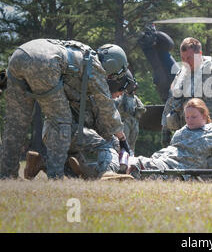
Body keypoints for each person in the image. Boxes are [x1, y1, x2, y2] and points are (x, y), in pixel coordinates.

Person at [0, 39, 132, 179]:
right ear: (111, 64)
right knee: (61, 121)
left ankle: (6, 174)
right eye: (113, 75)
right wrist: (122, 138)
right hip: (45, 61)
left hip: (19, 55)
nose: (109, 78)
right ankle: (55, 177)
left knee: (16, 123)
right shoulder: (95, 65)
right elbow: (106, 106)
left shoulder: (82, 54)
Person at [161, 37, 212, 164]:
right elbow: (171, 102)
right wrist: (165, 129)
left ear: (199, 54)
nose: (186, 62)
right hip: (187, 141)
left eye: (189, 58)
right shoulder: (182, 75)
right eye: (183, 59)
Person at [129, 98, 212, 180]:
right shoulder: (180, 133)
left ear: (204, 116)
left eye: (193, 117)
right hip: (161, 161)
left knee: (139, 165)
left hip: (177, 171)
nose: (189, 120)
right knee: (133, 162)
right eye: (187, 117)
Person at [113, 70, 146, 154]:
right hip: (125, 121)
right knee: (124, 142)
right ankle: (122, 158)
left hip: (133, 122)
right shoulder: (121, 95)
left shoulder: (134, 97)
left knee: (132, 143)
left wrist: (137, 113)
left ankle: (131, 158)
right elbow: (115, 105)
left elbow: (142, 108)